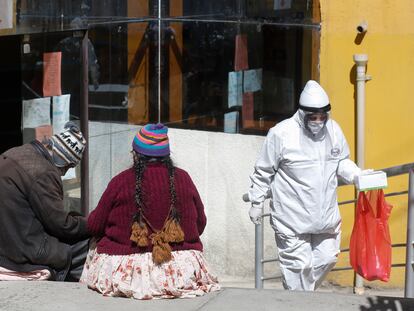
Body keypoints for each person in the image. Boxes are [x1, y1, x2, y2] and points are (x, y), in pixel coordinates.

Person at [248, 80, 365, 291]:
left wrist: (357, 176)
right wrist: (256, 201)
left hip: (325, 216)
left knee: (327, 259)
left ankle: (302, 297)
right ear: (303, 113)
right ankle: (300, 302)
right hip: (291, 218)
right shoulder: (281, 134)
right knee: (298, 268)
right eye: (313, 117)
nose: (318, 121)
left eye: (322, 116)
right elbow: (264, 170)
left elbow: (341, 163)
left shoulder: (333, 131)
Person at [81, 123, 220, 299]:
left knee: (95, 242)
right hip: (181, 272)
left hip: (129, 273)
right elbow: (200, 224)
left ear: (136, 155)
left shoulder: (121, 181)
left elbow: (94, 225)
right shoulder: (184, 178)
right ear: (167, 156)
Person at [0, 122, 89, 281]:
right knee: (85, 244)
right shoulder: (44, 172)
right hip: (21, 251)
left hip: (7, 241)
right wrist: (91, 223)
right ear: (64, 161)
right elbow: (61, 225)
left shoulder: (15, 152)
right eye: (68, 167)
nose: (64, 173)